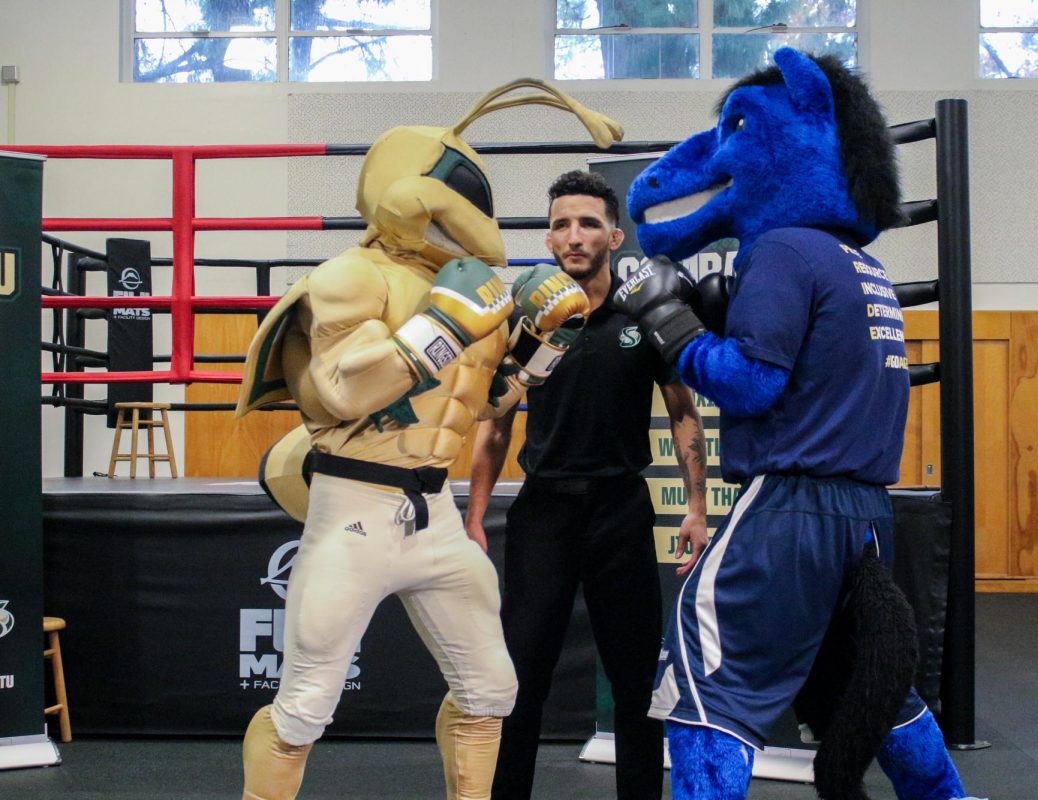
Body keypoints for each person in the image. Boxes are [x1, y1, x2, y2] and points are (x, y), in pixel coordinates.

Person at [234, 83, 622, 800]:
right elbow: (343, 392)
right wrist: (444, 327)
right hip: (354, 505)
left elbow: (483, 404)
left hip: (434, 513)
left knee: (490, 689)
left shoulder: (473, 289)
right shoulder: (353, 275)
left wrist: (541, 349)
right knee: (306, 704)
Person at [616, 49, 981, 800]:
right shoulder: (859, 265)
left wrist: (671, 324)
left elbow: (751, 385)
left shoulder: (780, 249)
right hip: (863, 516)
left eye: (742, 129)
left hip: (787, 512)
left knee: (703, 690)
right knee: (874, 690)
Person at [465, 169, 709, 800]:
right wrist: (474, 517)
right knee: (520, 680)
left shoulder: (644, 315)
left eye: (588, 223)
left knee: (634, 686)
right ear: (548, 239)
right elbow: (493, 427)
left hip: (621, 513)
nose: (574, 236)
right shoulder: (524, 325)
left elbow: (683, 412)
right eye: (561, 224)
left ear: (614, 235)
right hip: (543, 514)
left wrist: (697, 509)